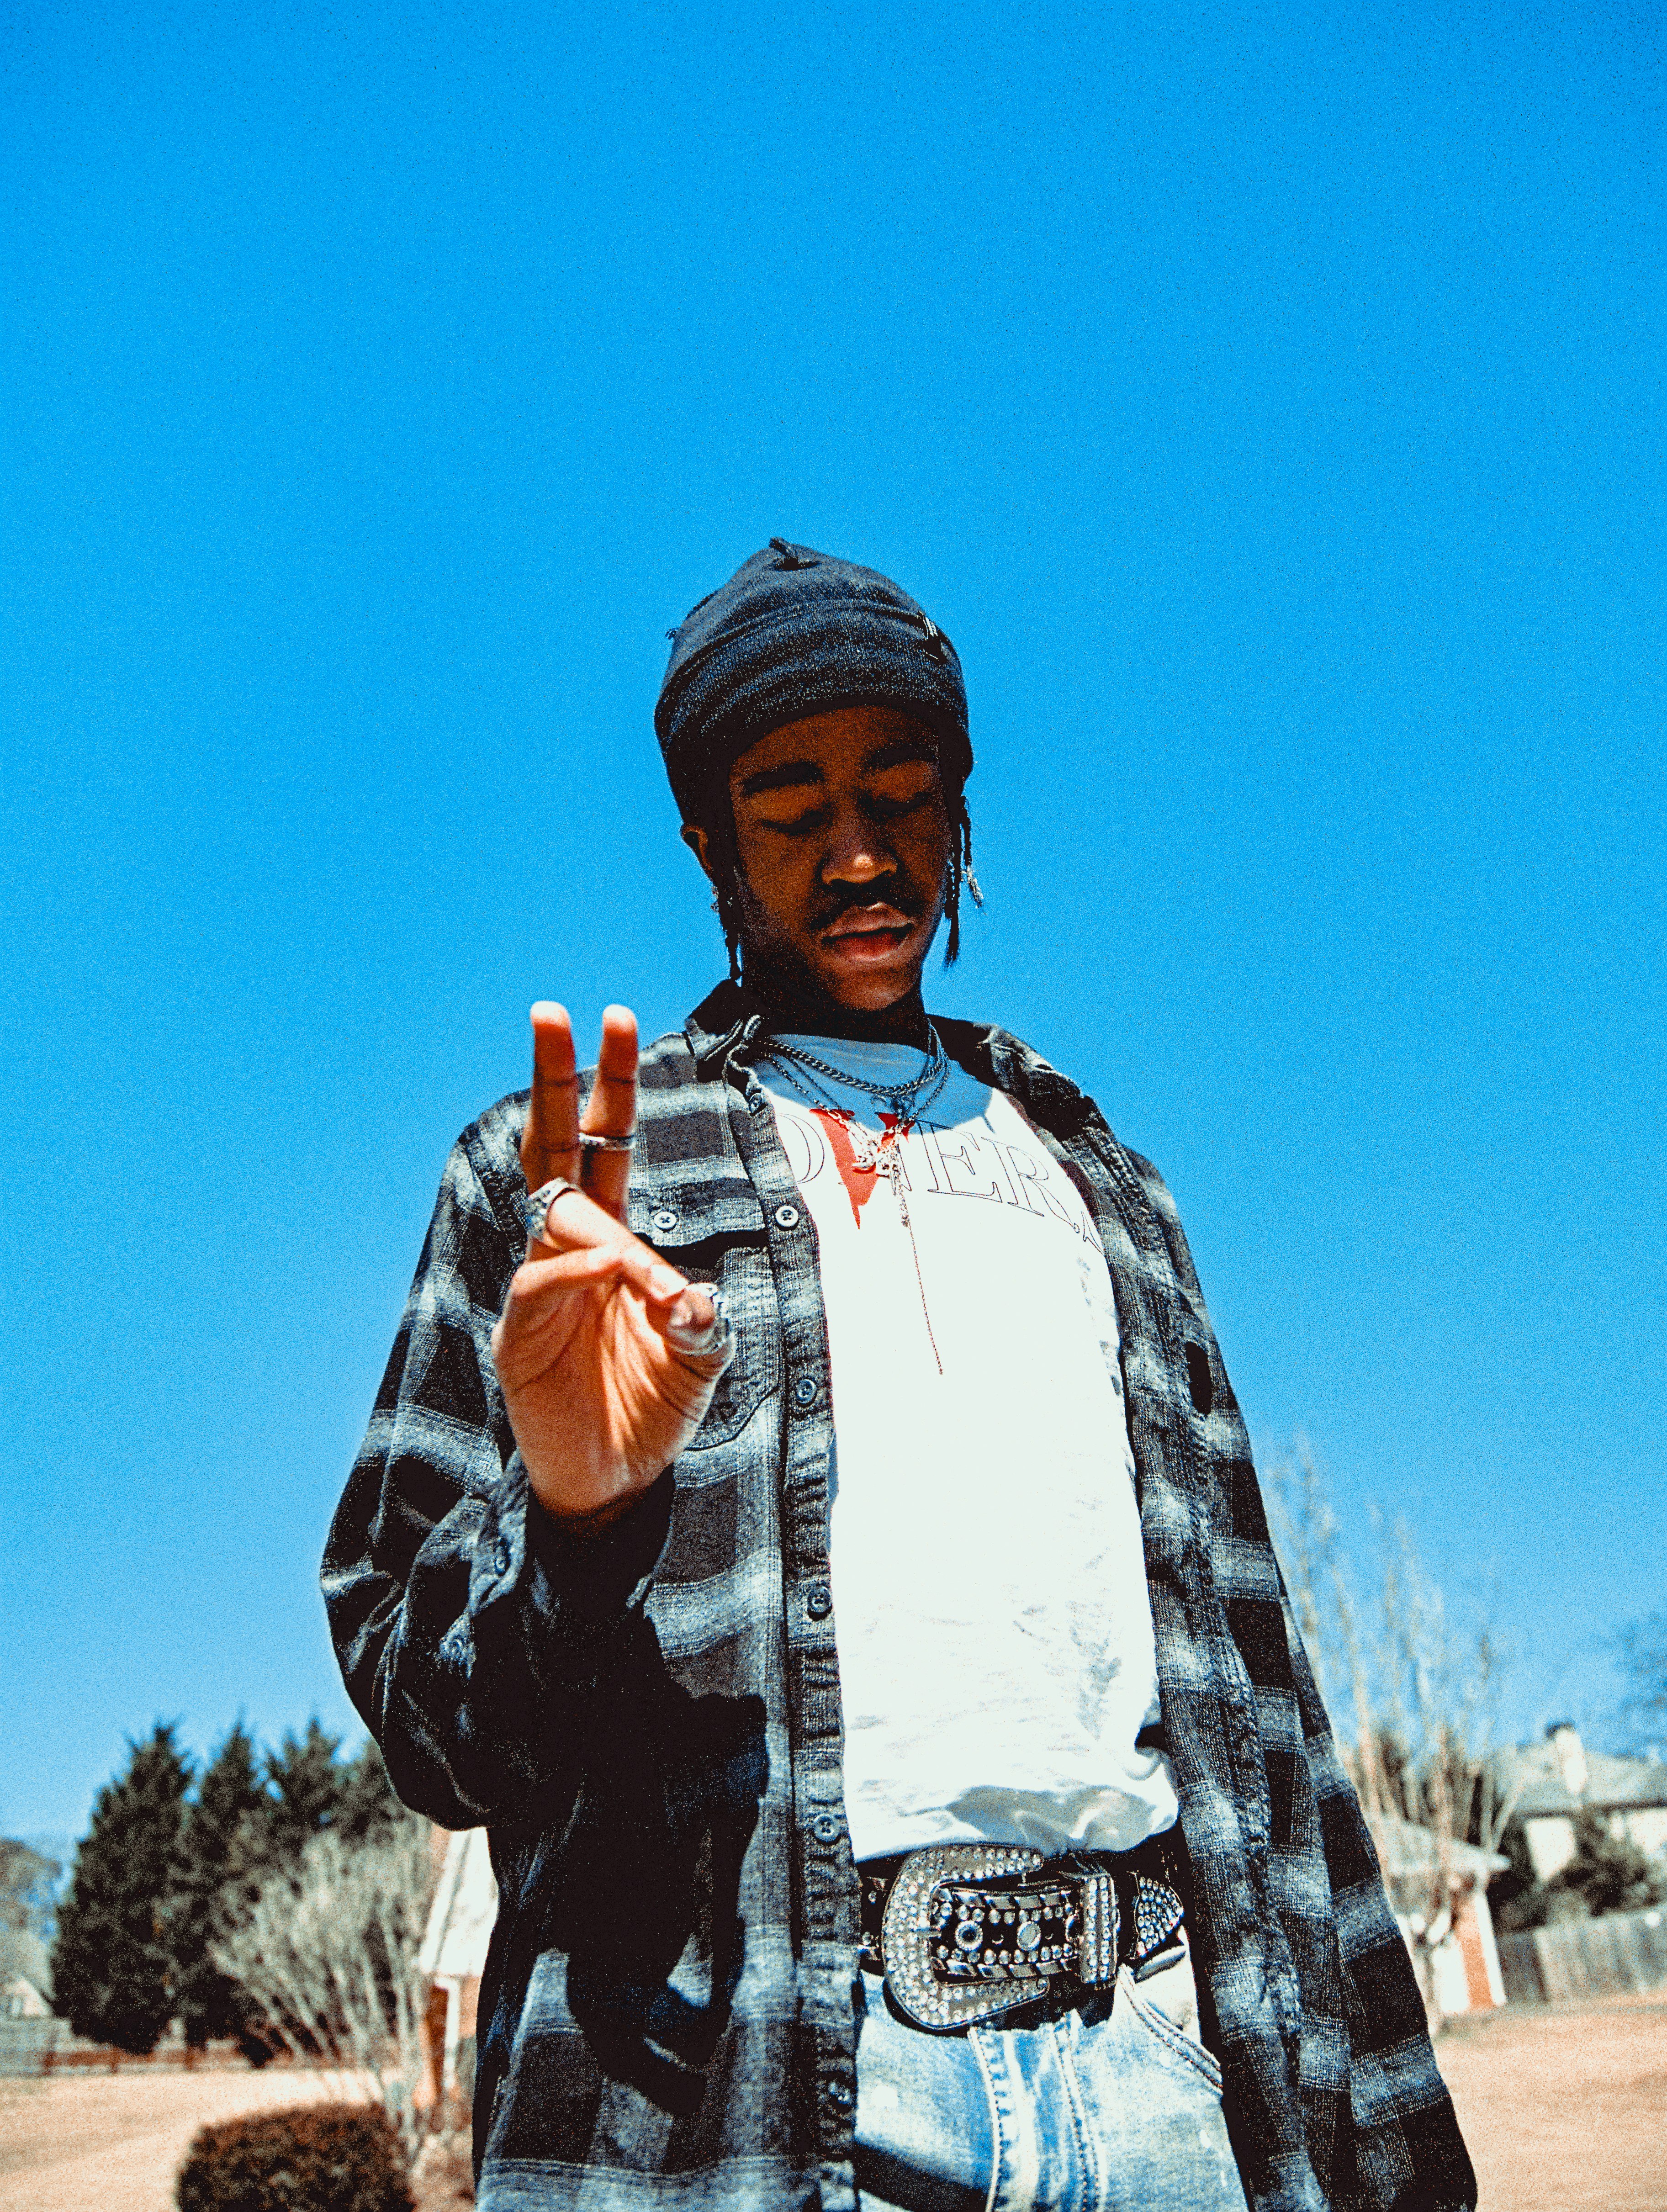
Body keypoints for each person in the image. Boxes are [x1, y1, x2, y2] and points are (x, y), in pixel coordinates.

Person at [324, 541, 1476, 2212]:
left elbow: (1262, 1710)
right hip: (746, 2085)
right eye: (788, 805)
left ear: (959, 817)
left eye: (901, 794)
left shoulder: (1105, 1186)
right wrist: (571, 1520)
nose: (856, 851)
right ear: (706, 839)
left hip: (1167, 2074)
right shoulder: (569, 1176)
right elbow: (424, 1716)